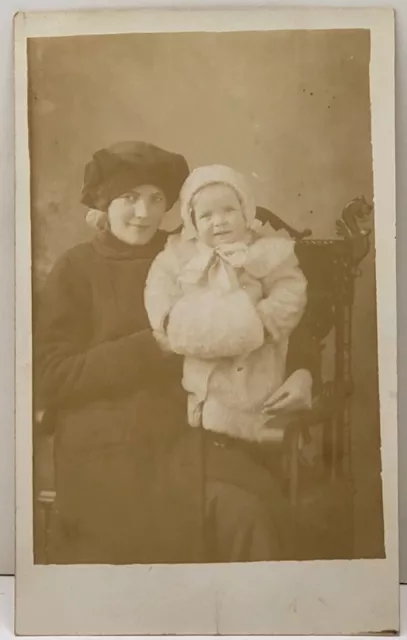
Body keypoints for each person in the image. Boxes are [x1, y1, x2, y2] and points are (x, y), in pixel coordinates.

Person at [35, 141, 315, 565]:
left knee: (252, 512)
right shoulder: (75, 268)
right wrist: (152, 347)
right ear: (104, 203)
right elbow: (51, 376)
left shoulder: (189, 252)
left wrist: (303, 369)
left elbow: (276, 300)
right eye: (129, 199)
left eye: (155, 199)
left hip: (186, 431)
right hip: (105, 441)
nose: (144, 213)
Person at [144, 165, 308, 445]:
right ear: (192, 221)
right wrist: (170, 323)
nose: (219, 221)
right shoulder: (179, 255)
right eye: (206, 215)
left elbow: (290, 291)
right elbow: (158, 290)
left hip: (255, 357)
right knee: (201, 402)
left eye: (228, 210)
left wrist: (263, 322)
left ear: (246, 212)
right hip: (199, 360)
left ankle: (253, 441)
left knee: (254, 398)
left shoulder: (267, 252)